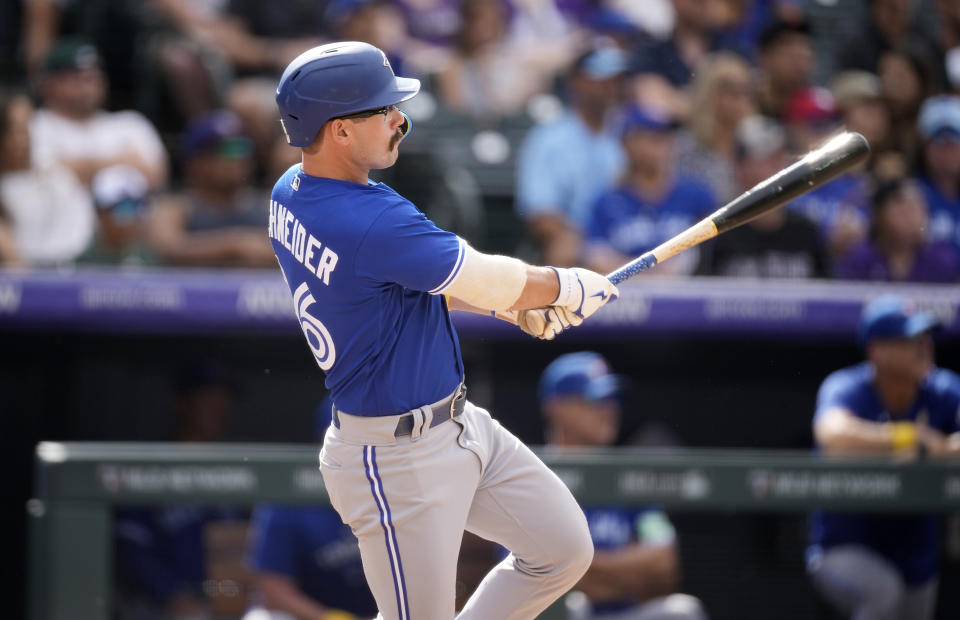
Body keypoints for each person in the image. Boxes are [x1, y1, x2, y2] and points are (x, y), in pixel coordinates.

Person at [269, 41, 619, 620]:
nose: (398, 120)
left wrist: (509, 308)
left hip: (456, 424)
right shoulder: (371, 219)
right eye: (381, 111)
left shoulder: (292, 191)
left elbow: (400, 284)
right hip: (394, 457)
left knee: (561, 551)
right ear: (338, 131)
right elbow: (481, 275)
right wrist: (564, 286)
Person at [807, 296, 960, 620]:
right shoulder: (848, 386)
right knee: (882, 590)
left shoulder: (943, 390)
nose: (924, 347)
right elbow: (833, 435)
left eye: (925, 338)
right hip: (843, 548)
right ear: (878, 350)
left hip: (917, 555)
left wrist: (942, 449)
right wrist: (908, 437)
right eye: (910, 340)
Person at [538, 352, 709, 620]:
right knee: (573, 606)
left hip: (623, 614)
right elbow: (530, 573)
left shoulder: (625, 475)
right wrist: (628, 570)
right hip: (561, 613)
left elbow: (664, 564)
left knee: (682, 612)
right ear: (557, 407)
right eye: (595, 400)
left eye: (612, 399)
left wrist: (578, 568)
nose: (610, 409)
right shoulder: (532, 474)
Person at [243, 401, 378, 620]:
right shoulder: (290, 495)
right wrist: (330, 617)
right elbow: (273, 591)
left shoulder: (400, 490)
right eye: (343, 442)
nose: (353, 452)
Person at [515, 42, 629, 266]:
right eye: (600, 78)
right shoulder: (549, 138)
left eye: (616, 79)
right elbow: (541, 216)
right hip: (580, 240)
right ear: (575, 82)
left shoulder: (632, 132)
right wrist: (593, 246)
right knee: (564, 246)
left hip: (630, 234)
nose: (610, 86)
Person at [585, 105, 716, 277]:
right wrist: (651, 274)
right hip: (628, 298)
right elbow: (596, 259)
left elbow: (711, 253)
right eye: (651, 138)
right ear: (627, 143)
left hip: (686, 295)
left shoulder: (696, 195)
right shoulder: (607, 202)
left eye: (665, 137)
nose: (661, 145)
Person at [698, 116, 828, 279]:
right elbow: (702, 293)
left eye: (778, 158)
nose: (774, 168)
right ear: (739, 166)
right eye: (763, 159)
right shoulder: (717, 233)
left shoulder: (806, 231)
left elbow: (828, 294)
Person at [30, 37, 168, 190]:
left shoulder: (130, 122)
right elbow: (43, 176)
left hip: (127, 212)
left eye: (94, 76)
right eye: (77, 77)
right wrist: (123, 162)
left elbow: (156, 176)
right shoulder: (34, 125)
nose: (90, 84)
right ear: (50, 84)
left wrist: (79, 166)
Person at [146, 110, 275, 267]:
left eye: (243, 147)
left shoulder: (268, 207)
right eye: (228, 149)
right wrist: (235, 245)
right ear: (197, 161)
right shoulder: (177, 208)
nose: (238, 157)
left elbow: (297, 252)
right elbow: (166, 247)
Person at [0, 90, 95, 266]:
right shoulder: (5, 187)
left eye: (26, 127)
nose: (22, 139)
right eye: (13, 131)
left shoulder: (53, 168)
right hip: (28, 275)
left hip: (80, 262)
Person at [835, 177, 958, 283]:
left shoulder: (942, 260)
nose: (913, 219)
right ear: (879, 215)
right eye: (903, 212)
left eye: (918, 209)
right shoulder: (860, 260)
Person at [916, 95, 960, 257]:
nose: (946, 149)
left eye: (954, 139)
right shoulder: (909, 196)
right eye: (938, 139)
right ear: (924, 146)